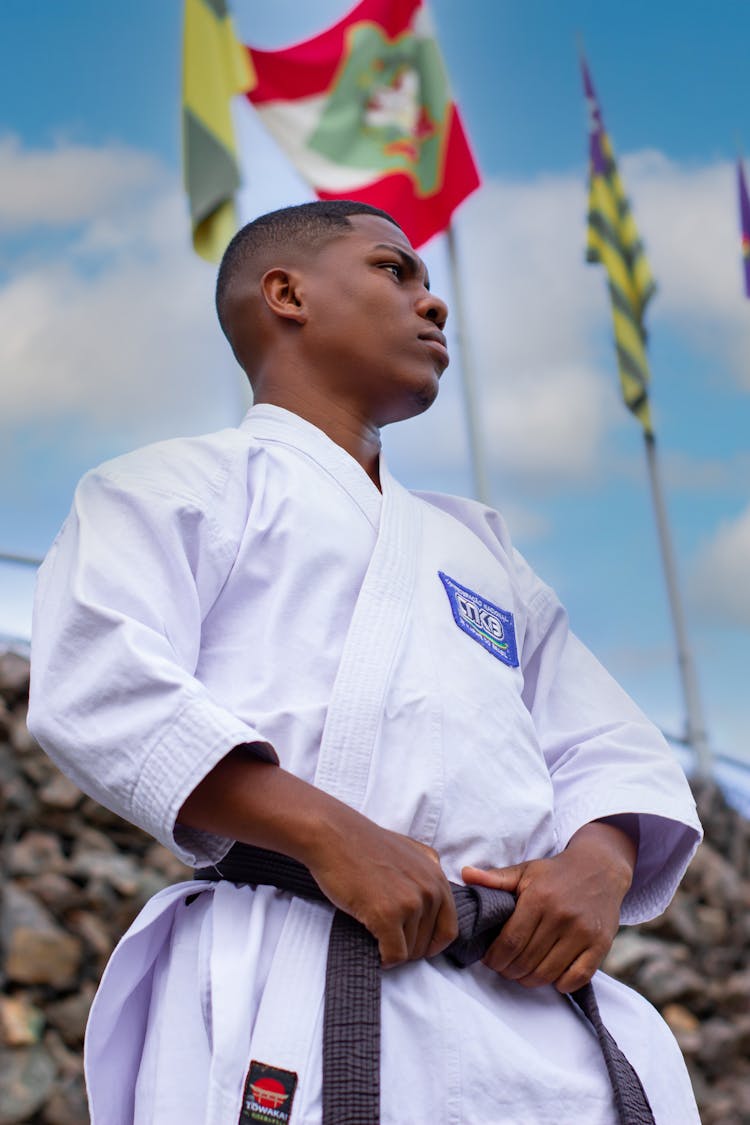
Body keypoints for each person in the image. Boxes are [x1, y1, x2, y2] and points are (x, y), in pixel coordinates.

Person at [28, 200, 702, 1124]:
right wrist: (326, 832)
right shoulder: (172, 488)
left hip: (522, 1000)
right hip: (296, 968)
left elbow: (607, 742)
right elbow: (102, 684)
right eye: (396, 271)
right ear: (286, 293)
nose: (434, 304)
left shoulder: (481, 548)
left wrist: (599, 861)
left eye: (429, 281)